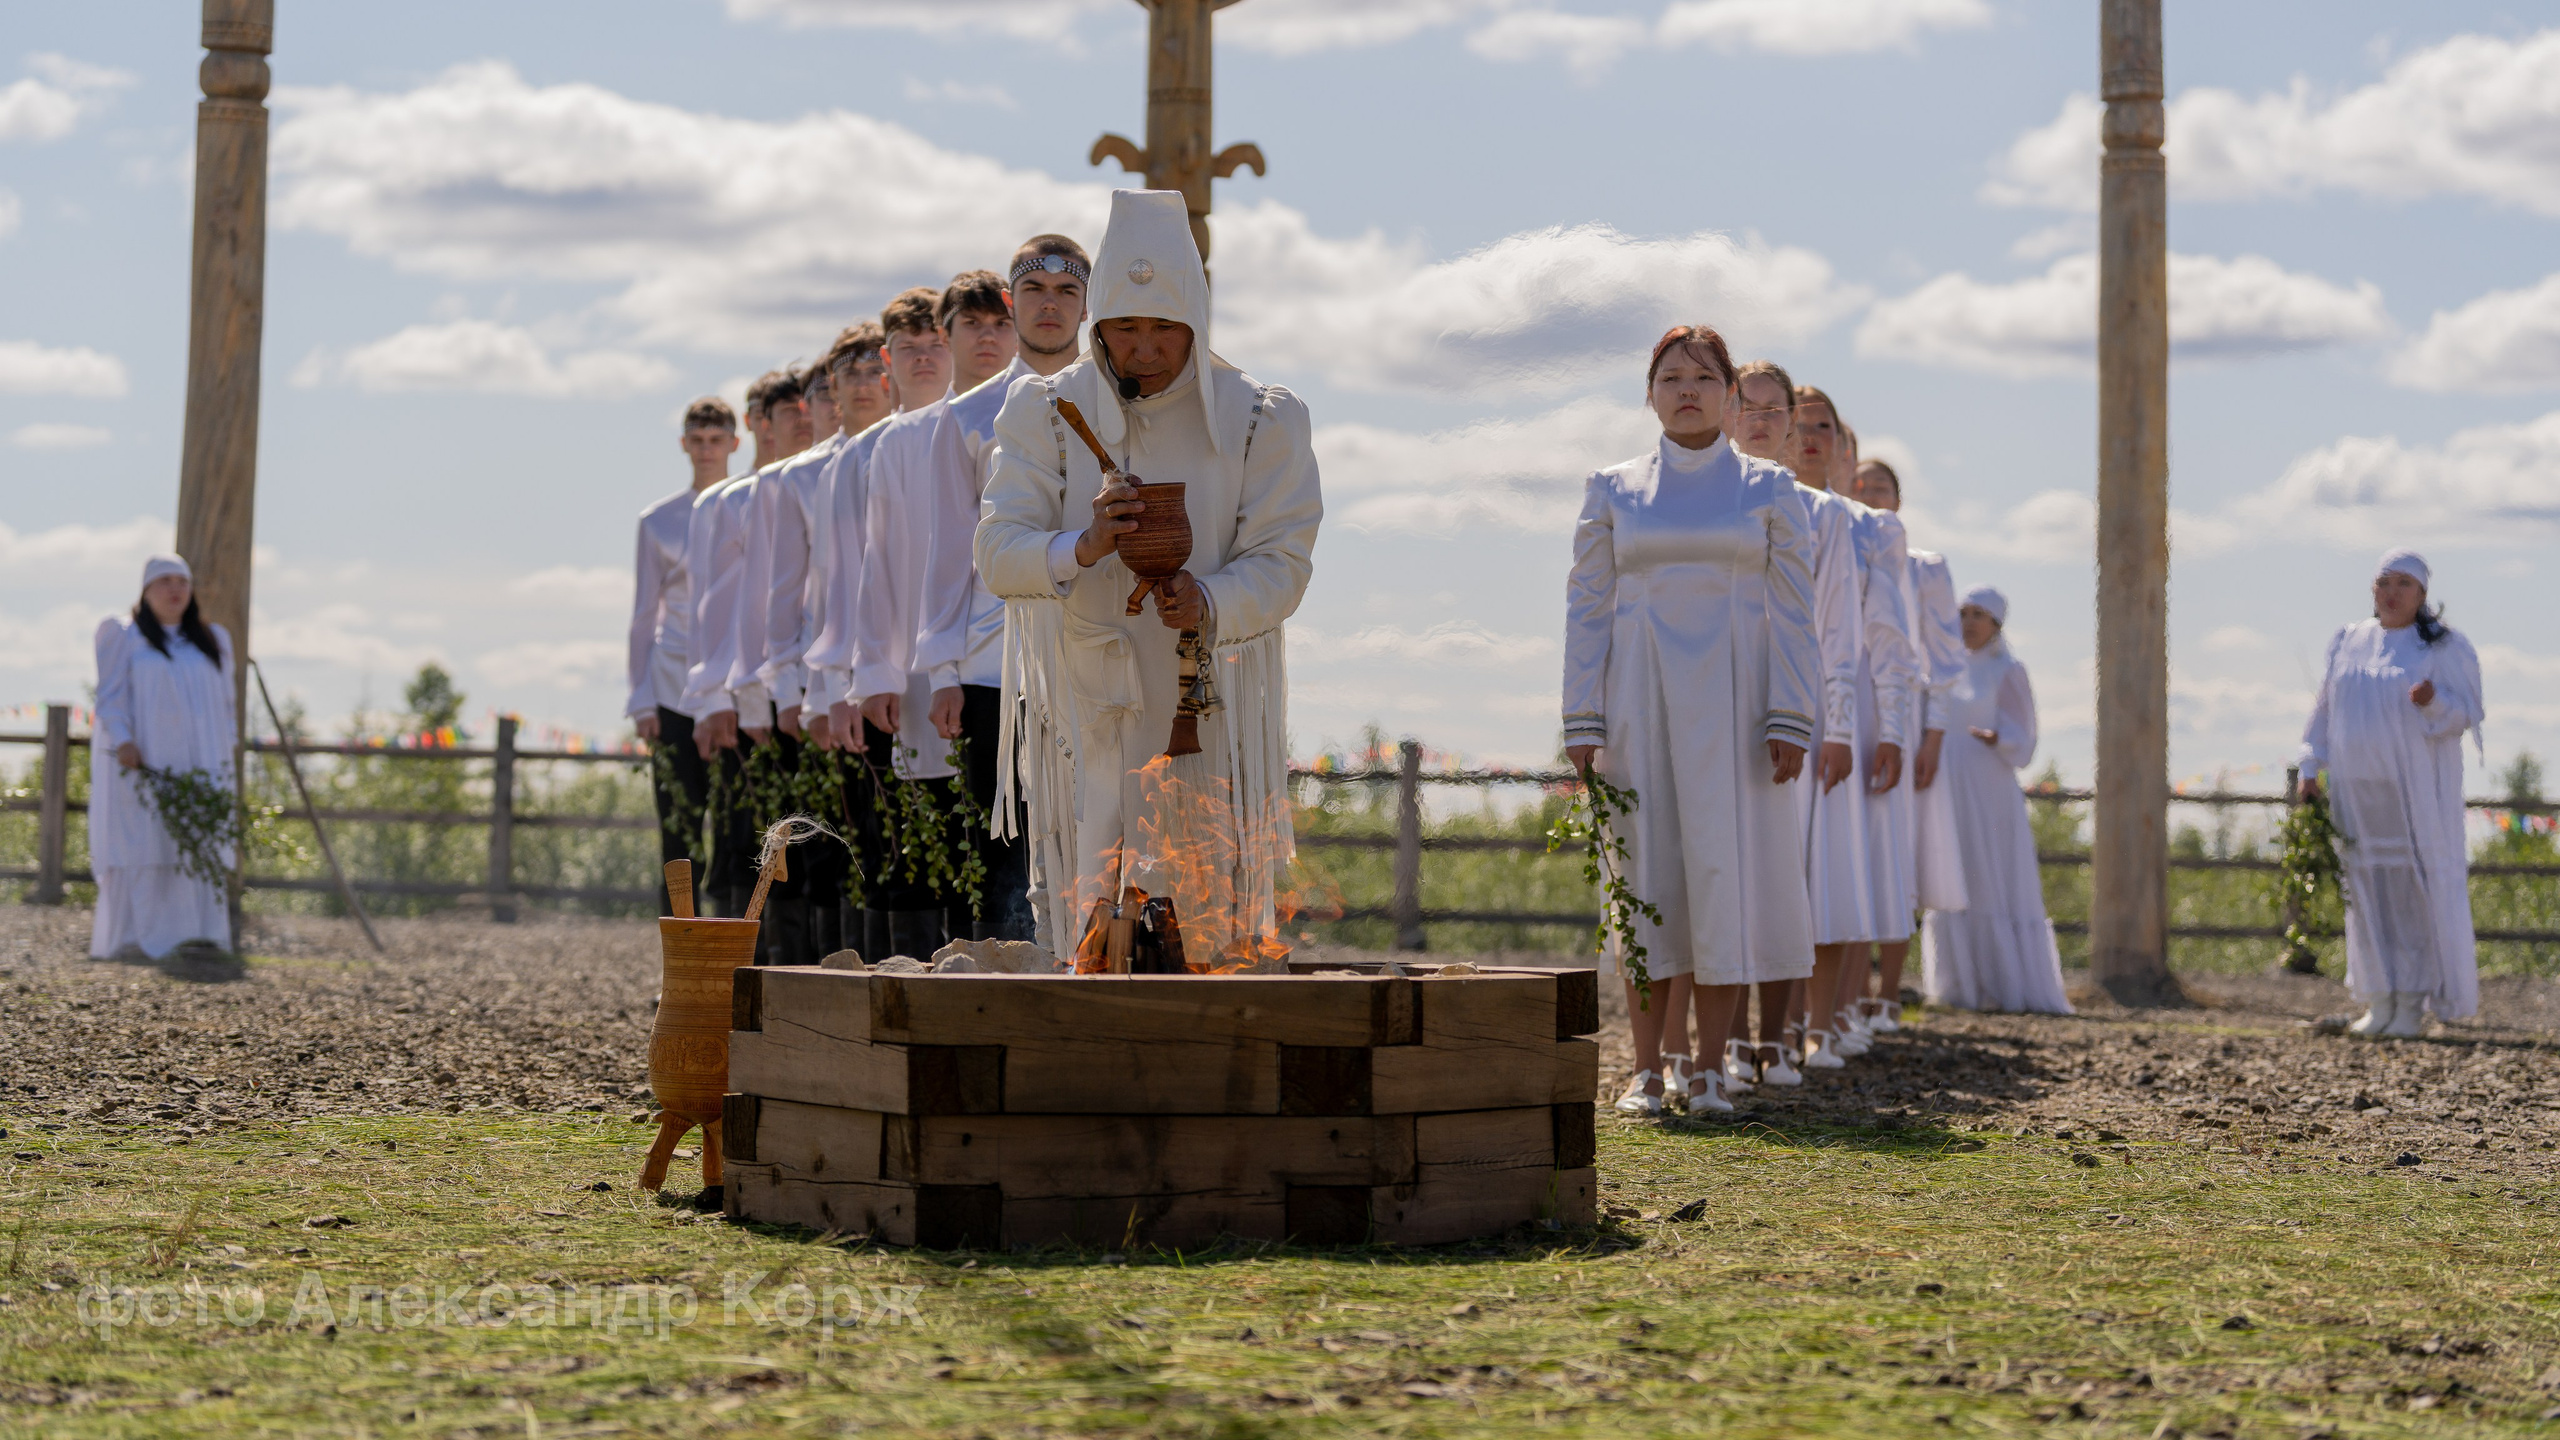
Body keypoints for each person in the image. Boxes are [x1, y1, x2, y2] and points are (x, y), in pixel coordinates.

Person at [976, 188, 1323, 967]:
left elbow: (1284, 561)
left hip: (1207, 713)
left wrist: (1209, 599)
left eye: (1164, 328)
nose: (1145, 349)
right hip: (1085, 715)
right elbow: (998, 551)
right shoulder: (1045, 413)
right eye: (1124, 329)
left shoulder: (1262, 418)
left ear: (1196, 323)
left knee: (1203, 917)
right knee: (1086, 919)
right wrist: (1088, 542)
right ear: (1097, 326)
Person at [1562, 327, 1821, 1116]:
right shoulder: (1612, 488)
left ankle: (1709, 1066)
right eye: (1670, 376)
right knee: (1647, 878)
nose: (1686, 390)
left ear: (1731, 396)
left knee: (1724, 874)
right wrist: (1583, 718)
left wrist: (1791, 714)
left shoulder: (1769, 490)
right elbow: (1587, 606)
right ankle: (1645, 1068)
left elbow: (1795, 611)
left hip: (1739, 708)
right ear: (1648, 393)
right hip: (1640, 701)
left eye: (1703, 378)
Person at [914, 236, 1092, 942]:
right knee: (1003, 839)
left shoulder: (1117, 405)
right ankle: (999, 991)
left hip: (1092, 651)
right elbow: (946, 553)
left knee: (1087, 825)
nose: (1050, 306)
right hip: (994, 661)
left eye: (1067, 291)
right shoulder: (964, 418)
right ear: (1013, 301)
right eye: (1036, 291)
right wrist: (946, 669)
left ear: (1085, 304)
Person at [858, 271, 1021, 951]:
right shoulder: (904, 439)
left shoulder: (1040, 413)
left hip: (1012, 656)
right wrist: (875, 668)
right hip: (932, 661)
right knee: (930, 829)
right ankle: (931, 974)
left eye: (997, 323)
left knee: (1006, 832)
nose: (986, 338)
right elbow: (885, 561)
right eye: (971, 325)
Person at [2298, 549, 2484, 1038]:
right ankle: (2379, 1000)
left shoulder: (2441, 648)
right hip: (2358, 798)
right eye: (2385, 582)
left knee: (2411, 895)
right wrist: (2311, 764)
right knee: (2367, 894)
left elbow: (2464, 714)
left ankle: (2410, 1004)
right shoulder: (2349, 641)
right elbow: (2325, 709)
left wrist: (2433, 702)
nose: (2392, 592)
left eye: (2404, 584)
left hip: (2415, 798)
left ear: (2422, 595)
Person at [1788, 388, 1913, 1069]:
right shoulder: (1772, 503)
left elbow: (1889, 631)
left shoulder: (1871, 529)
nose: (1812, 441)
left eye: (1824, 430)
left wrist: (1889, 723)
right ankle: (1783, 1026)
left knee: (1838, 864)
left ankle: (1828, 1017)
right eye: (1797, 427)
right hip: (1780, 683)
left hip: (1849, 699)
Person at [847, 286, 965, 958]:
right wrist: (872, 669)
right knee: (918, 840)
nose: (924, 359)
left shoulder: (987, 421)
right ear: (888, 359)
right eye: (908, 348)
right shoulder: (886, 445)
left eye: (933, 345)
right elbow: (872, 567)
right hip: (916, 666)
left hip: (979, 655)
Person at [1851, 456, 1969, 1030]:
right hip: (1852, 707)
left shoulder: (1924, 568)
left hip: (1909, 713)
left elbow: (1945, 659)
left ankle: (1889, 992)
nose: (1871, 495)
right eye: (1862, 486)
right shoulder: (1838, 548)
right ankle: (1846, 992)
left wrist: (1933, 736)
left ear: (1899, 499)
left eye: (1881, 487)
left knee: (1901, 851)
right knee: (1851, 848)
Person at [1918, 585, 2071, 1014]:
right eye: (1964, 613)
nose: (1968, 623)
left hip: (1987, 786)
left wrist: (1998, 737)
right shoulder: (1945, 666)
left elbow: (2025, 738)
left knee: (1990, 873)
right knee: (1954, 870)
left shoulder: (2009, 670)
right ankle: (1957, 985)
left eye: (1978, 615)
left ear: (1996, 625)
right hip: (1946, 783)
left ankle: (2005, 984)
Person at [90, 555, 237, 959]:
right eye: (165, 582)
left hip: (202, 766)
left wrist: (225, 759)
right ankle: (139, 939)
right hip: (144, 764)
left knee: (195, 839)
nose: (175, 590)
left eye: (182, 582)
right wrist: (123, 740)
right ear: (146, 590)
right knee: (147, 840)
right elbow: (111, 698)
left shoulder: (212, 641)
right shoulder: (125, 636)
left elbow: (227, 708)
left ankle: (197, 936)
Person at [628, 396, 739, 912]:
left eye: (716, 440)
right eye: (697, 440)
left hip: (738, 691)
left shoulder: (752, 507)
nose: (706, 450)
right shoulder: (658, 522)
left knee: (741, 831)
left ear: (734, 444)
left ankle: (740, 963)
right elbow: (642, 613)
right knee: (679, 836)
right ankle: (679, 968)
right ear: (683, 445)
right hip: (672, 687)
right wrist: (642, 699)